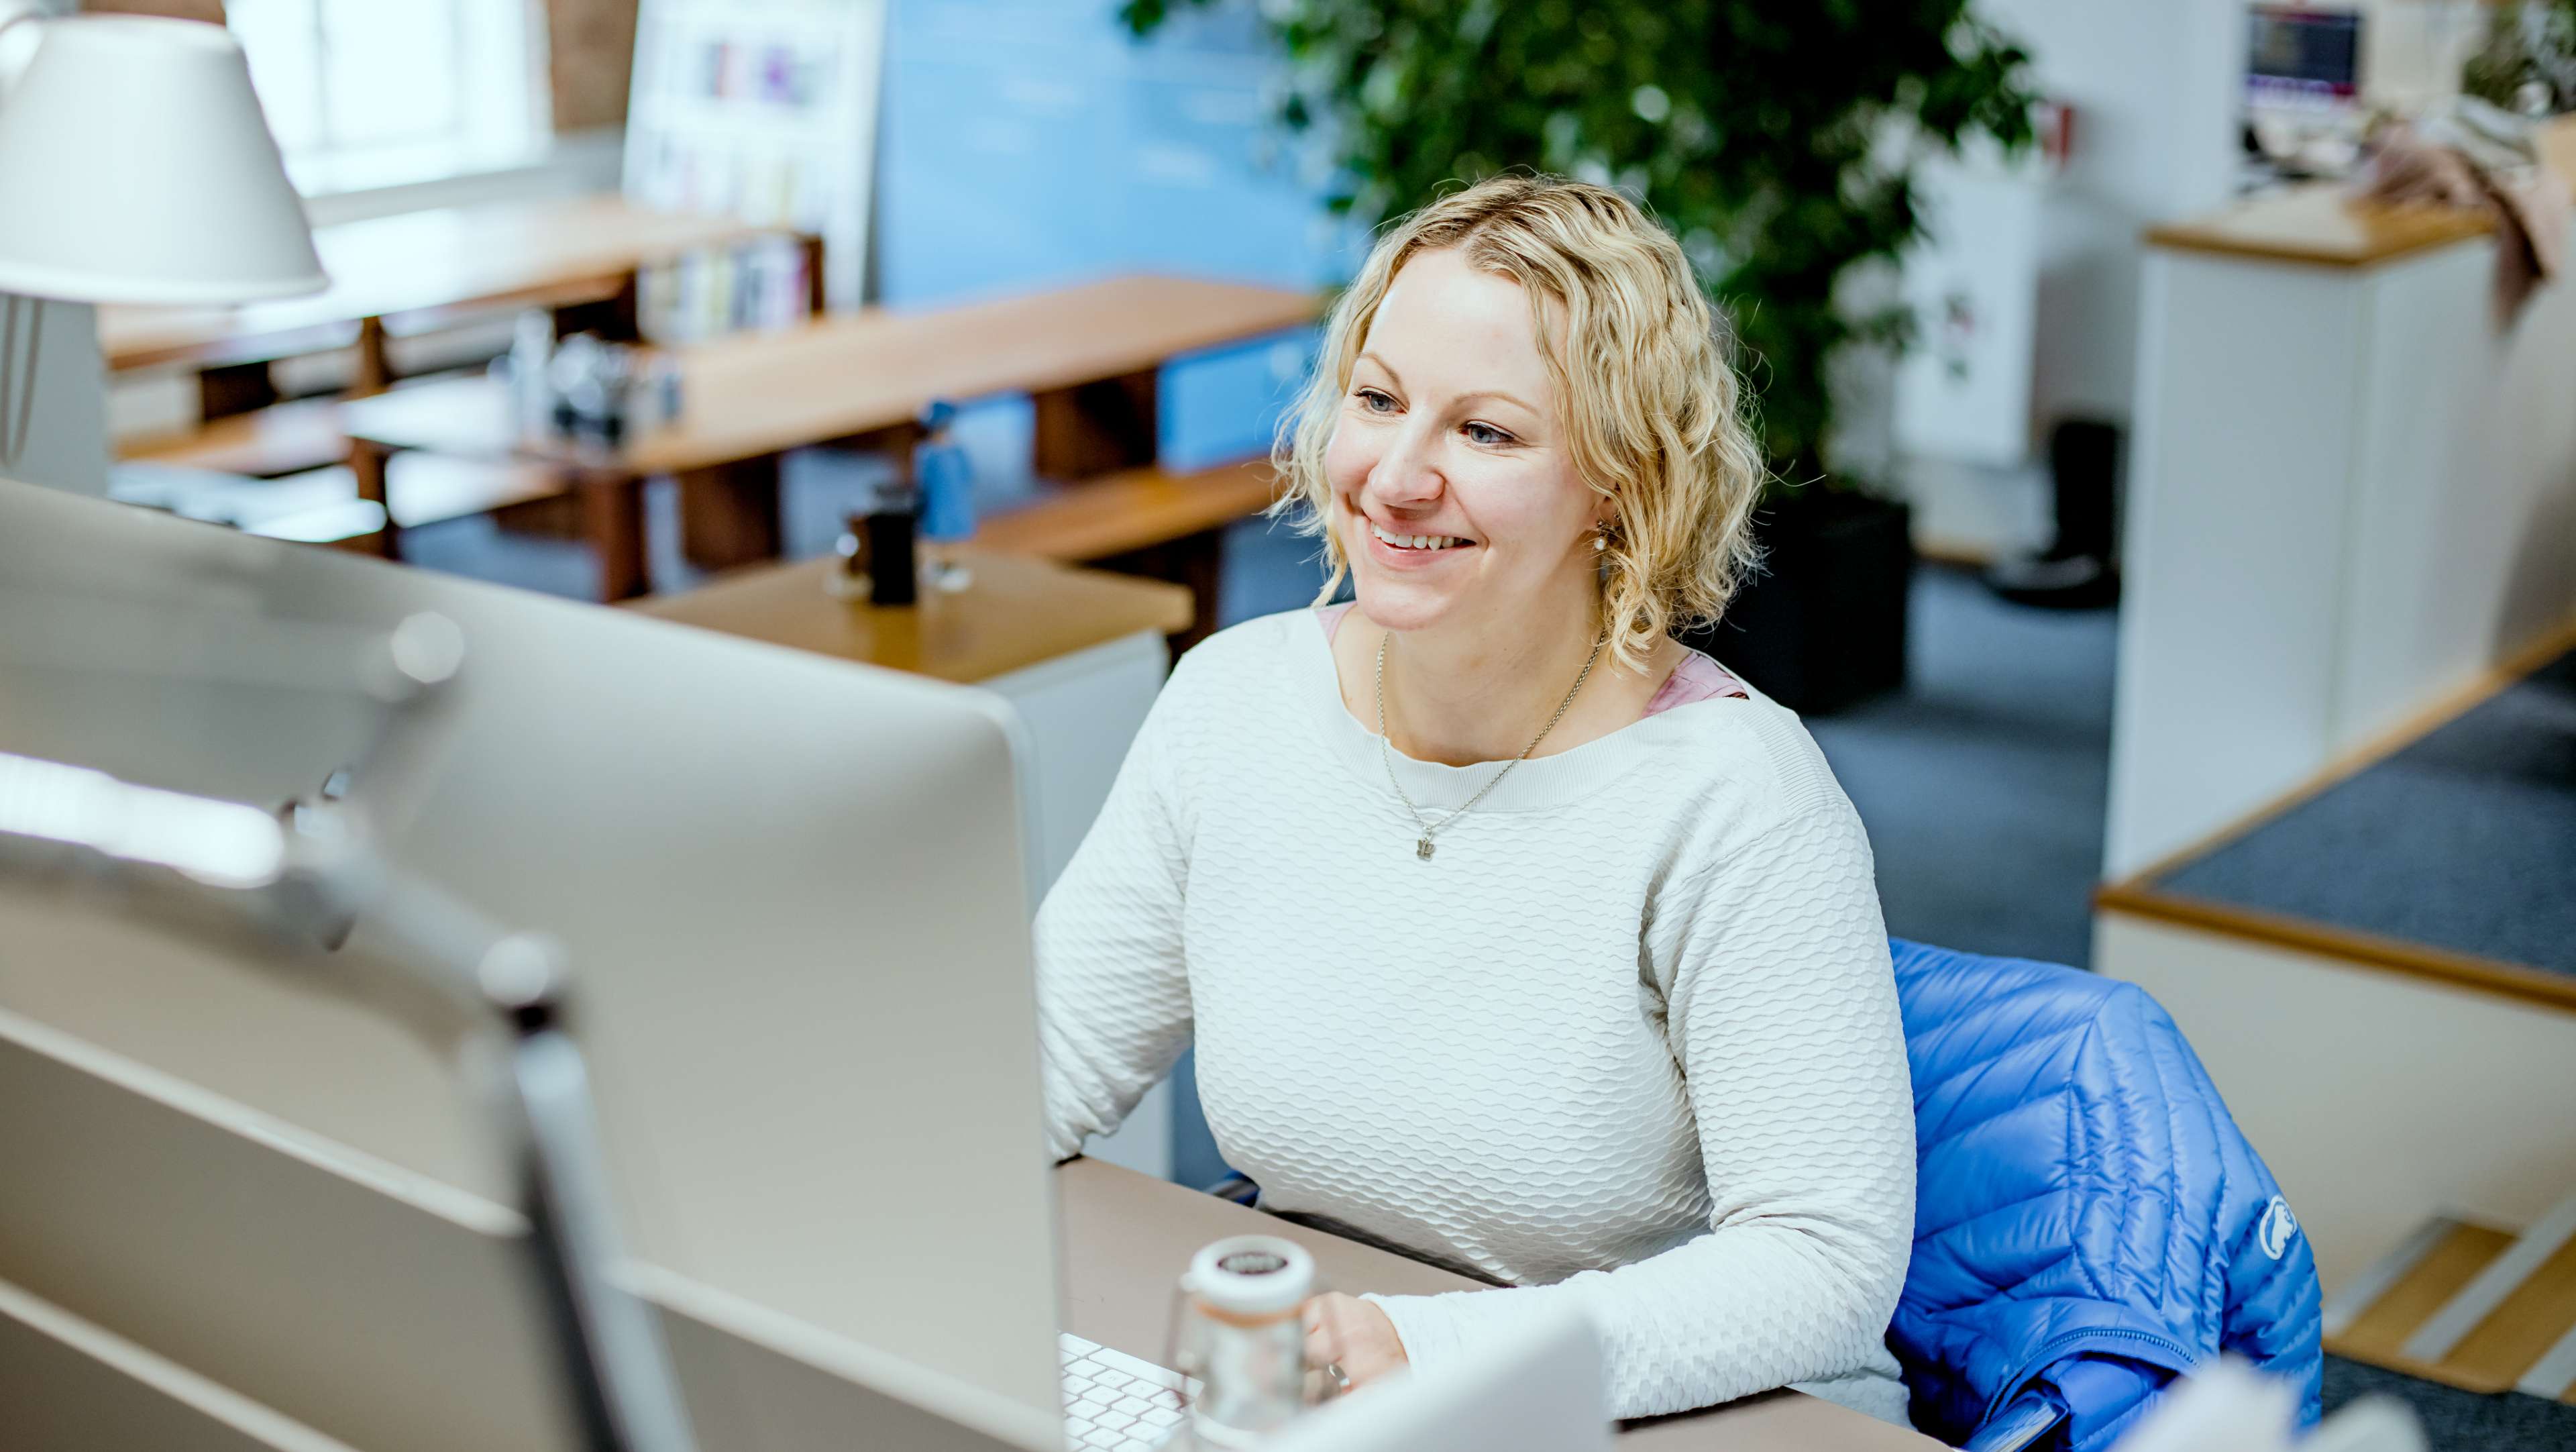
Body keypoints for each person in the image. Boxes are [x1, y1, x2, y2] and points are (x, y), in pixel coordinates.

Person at [1034, 174, 1915, 1425]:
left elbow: (1824, 1270)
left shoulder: (1738, 799)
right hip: (1338, 1383)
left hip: (1686, 1410)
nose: (1396, 476)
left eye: (1486, 433)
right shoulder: (1234, 703)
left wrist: (1430, 1349)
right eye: (1378, 400)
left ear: (1621, 483)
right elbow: (1043, 1063)